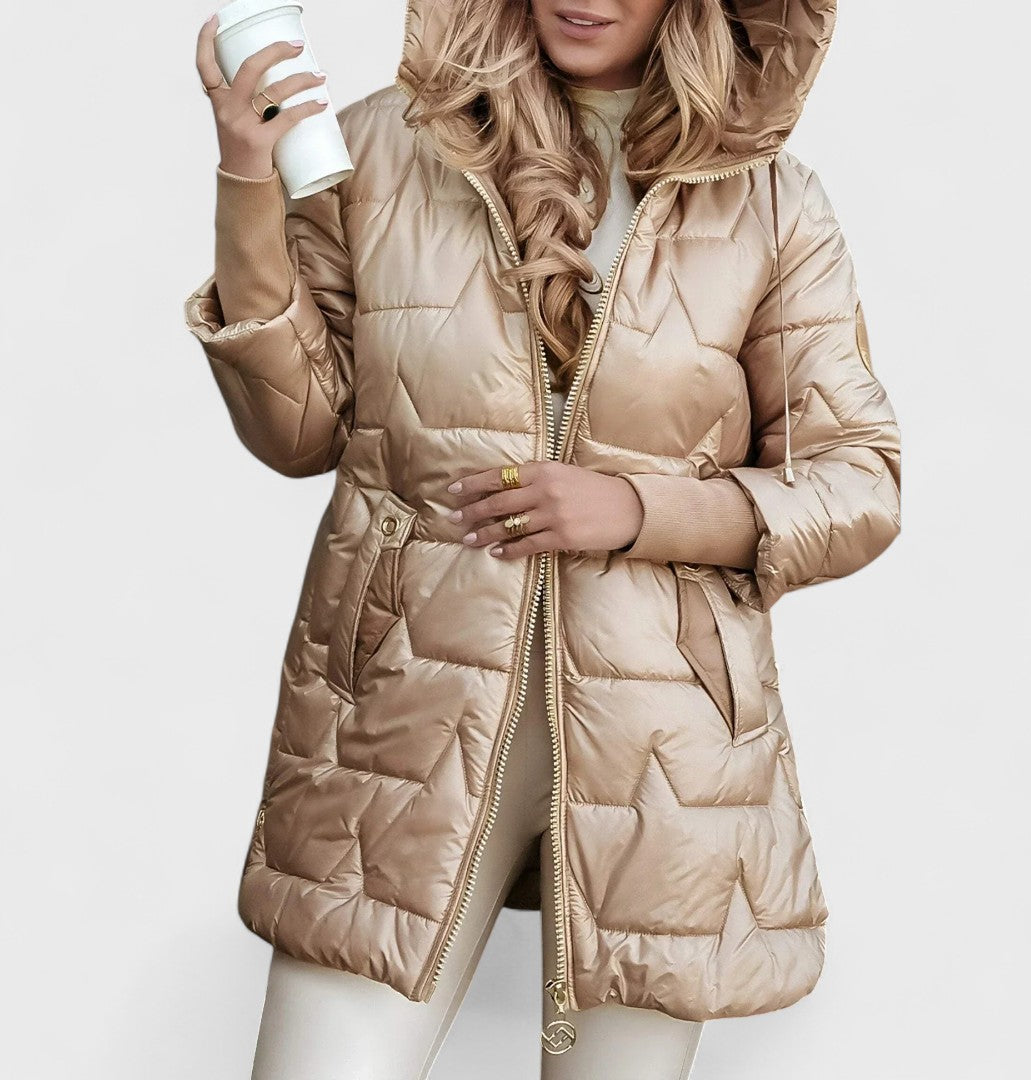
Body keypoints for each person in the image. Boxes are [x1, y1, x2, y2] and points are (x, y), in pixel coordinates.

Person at [185, 1, 901, 1077]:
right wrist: (248, 179)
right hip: (400, 720)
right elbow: (298, 431)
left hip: (662, 759)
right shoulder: (388, 146)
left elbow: (859, 482)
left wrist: (638, 508)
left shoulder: (769, 203)